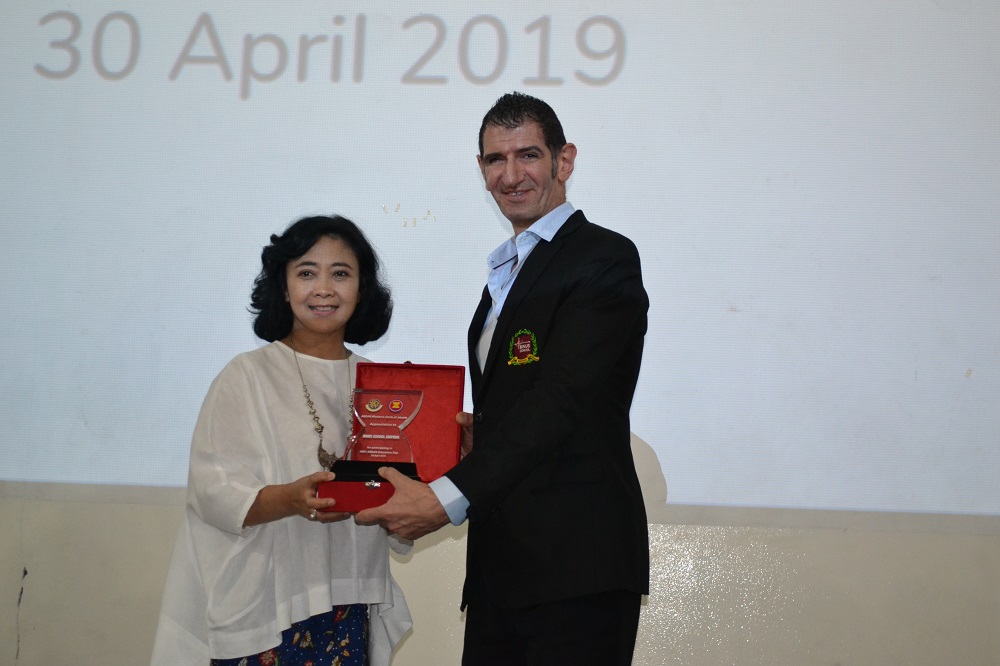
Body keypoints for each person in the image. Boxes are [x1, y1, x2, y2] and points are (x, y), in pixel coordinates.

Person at [356, 92, 650, 664]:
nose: (511, 176)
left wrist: (444, 498)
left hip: (576, 566)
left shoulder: (603, 258)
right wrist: (475, 441)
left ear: (564, 160)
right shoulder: (509, 268)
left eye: (528, 155)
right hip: (503, 568)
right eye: (496, 160)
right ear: (481, 168)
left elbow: (560, 399)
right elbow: (524, 405)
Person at [151, 215, 411, 666]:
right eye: (307, 273)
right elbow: (214, 492)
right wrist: (290, 499)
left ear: (362, 288)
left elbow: (398, 493)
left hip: (349, 602)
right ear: (284, 288)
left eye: (341, 273)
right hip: (270, 605)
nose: (324, 289)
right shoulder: (246, 376)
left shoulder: (385, 387)